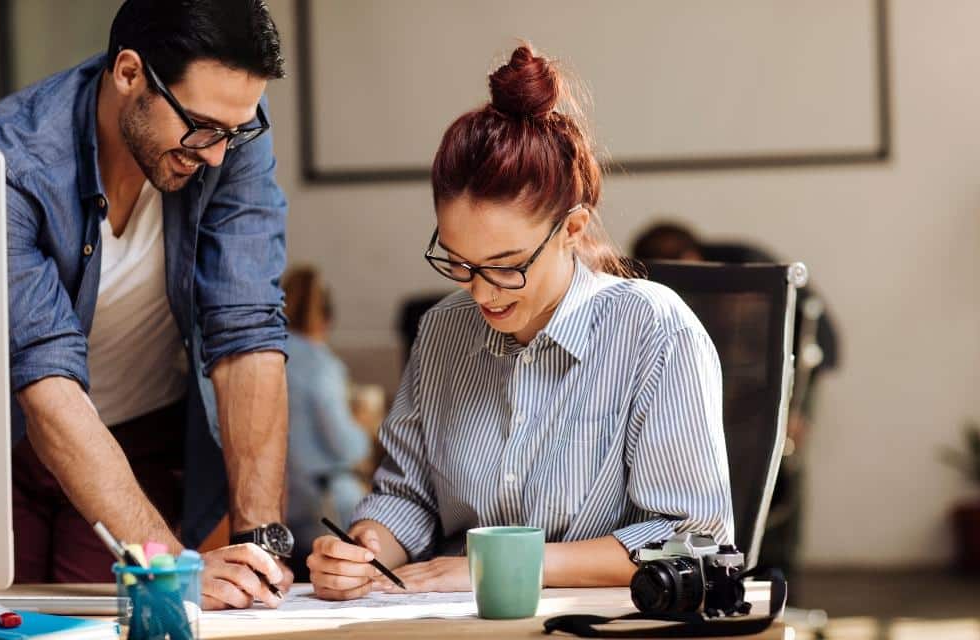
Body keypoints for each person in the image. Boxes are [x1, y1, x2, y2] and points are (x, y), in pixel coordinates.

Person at [306, 45, 734, 600]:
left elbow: (690, 538)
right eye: (458, 262)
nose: (481, 291)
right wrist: (365, 548)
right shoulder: (443, 331)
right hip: (443, 619)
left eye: (507, 267)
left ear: (573, 228)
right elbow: (408, 496)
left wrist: (502, 565)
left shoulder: (654, 332)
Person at [0, 0, 296, 609]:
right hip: (12, 450)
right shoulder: (9, 165)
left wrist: (260, 547)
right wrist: (173, 568)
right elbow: (47, 385)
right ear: (130, 73)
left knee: (138, 619)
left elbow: (246, 330)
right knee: (10, 617)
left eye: (234, 130)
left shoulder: (226, 131)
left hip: (143, 443)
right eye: (201, 126)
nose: (218, 154)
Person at [631, 222, 840, 576]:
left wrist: (796, 409)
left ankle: (777, 573)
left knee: (773, 467)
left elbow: (813, 336)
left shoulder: (746, 268)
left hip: (781, 379)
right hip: (725, 383)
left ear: (692, 256)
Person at [281, 266, 371, 579]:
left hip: (280, 501)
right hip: (321, 503)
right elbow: (344, 446)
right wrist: (363, 426)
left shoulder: (265, 355)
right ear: (325, 319)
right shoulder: (322, 365)